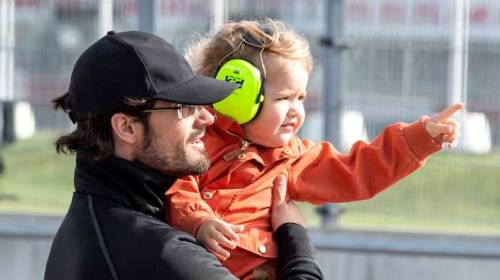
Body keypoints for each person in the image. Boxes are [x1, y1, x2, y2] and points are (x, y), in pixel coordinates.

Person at [166, 19, 464, 279]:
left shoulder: (293, 158)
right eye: (284, 99)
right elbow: (178, 188)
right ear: (238, 94)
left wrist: (419, 138)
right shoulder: (196, 142)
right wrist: (199, 221)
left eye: (302, 98)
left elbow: (357, 169)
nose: (297, 110)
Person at [44, 30, 324, 280]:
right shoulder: (162, 254)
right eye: (184, 108)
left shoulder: (90, 222)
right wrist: (294, 238)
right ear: (127, 127)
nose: (208, 118)